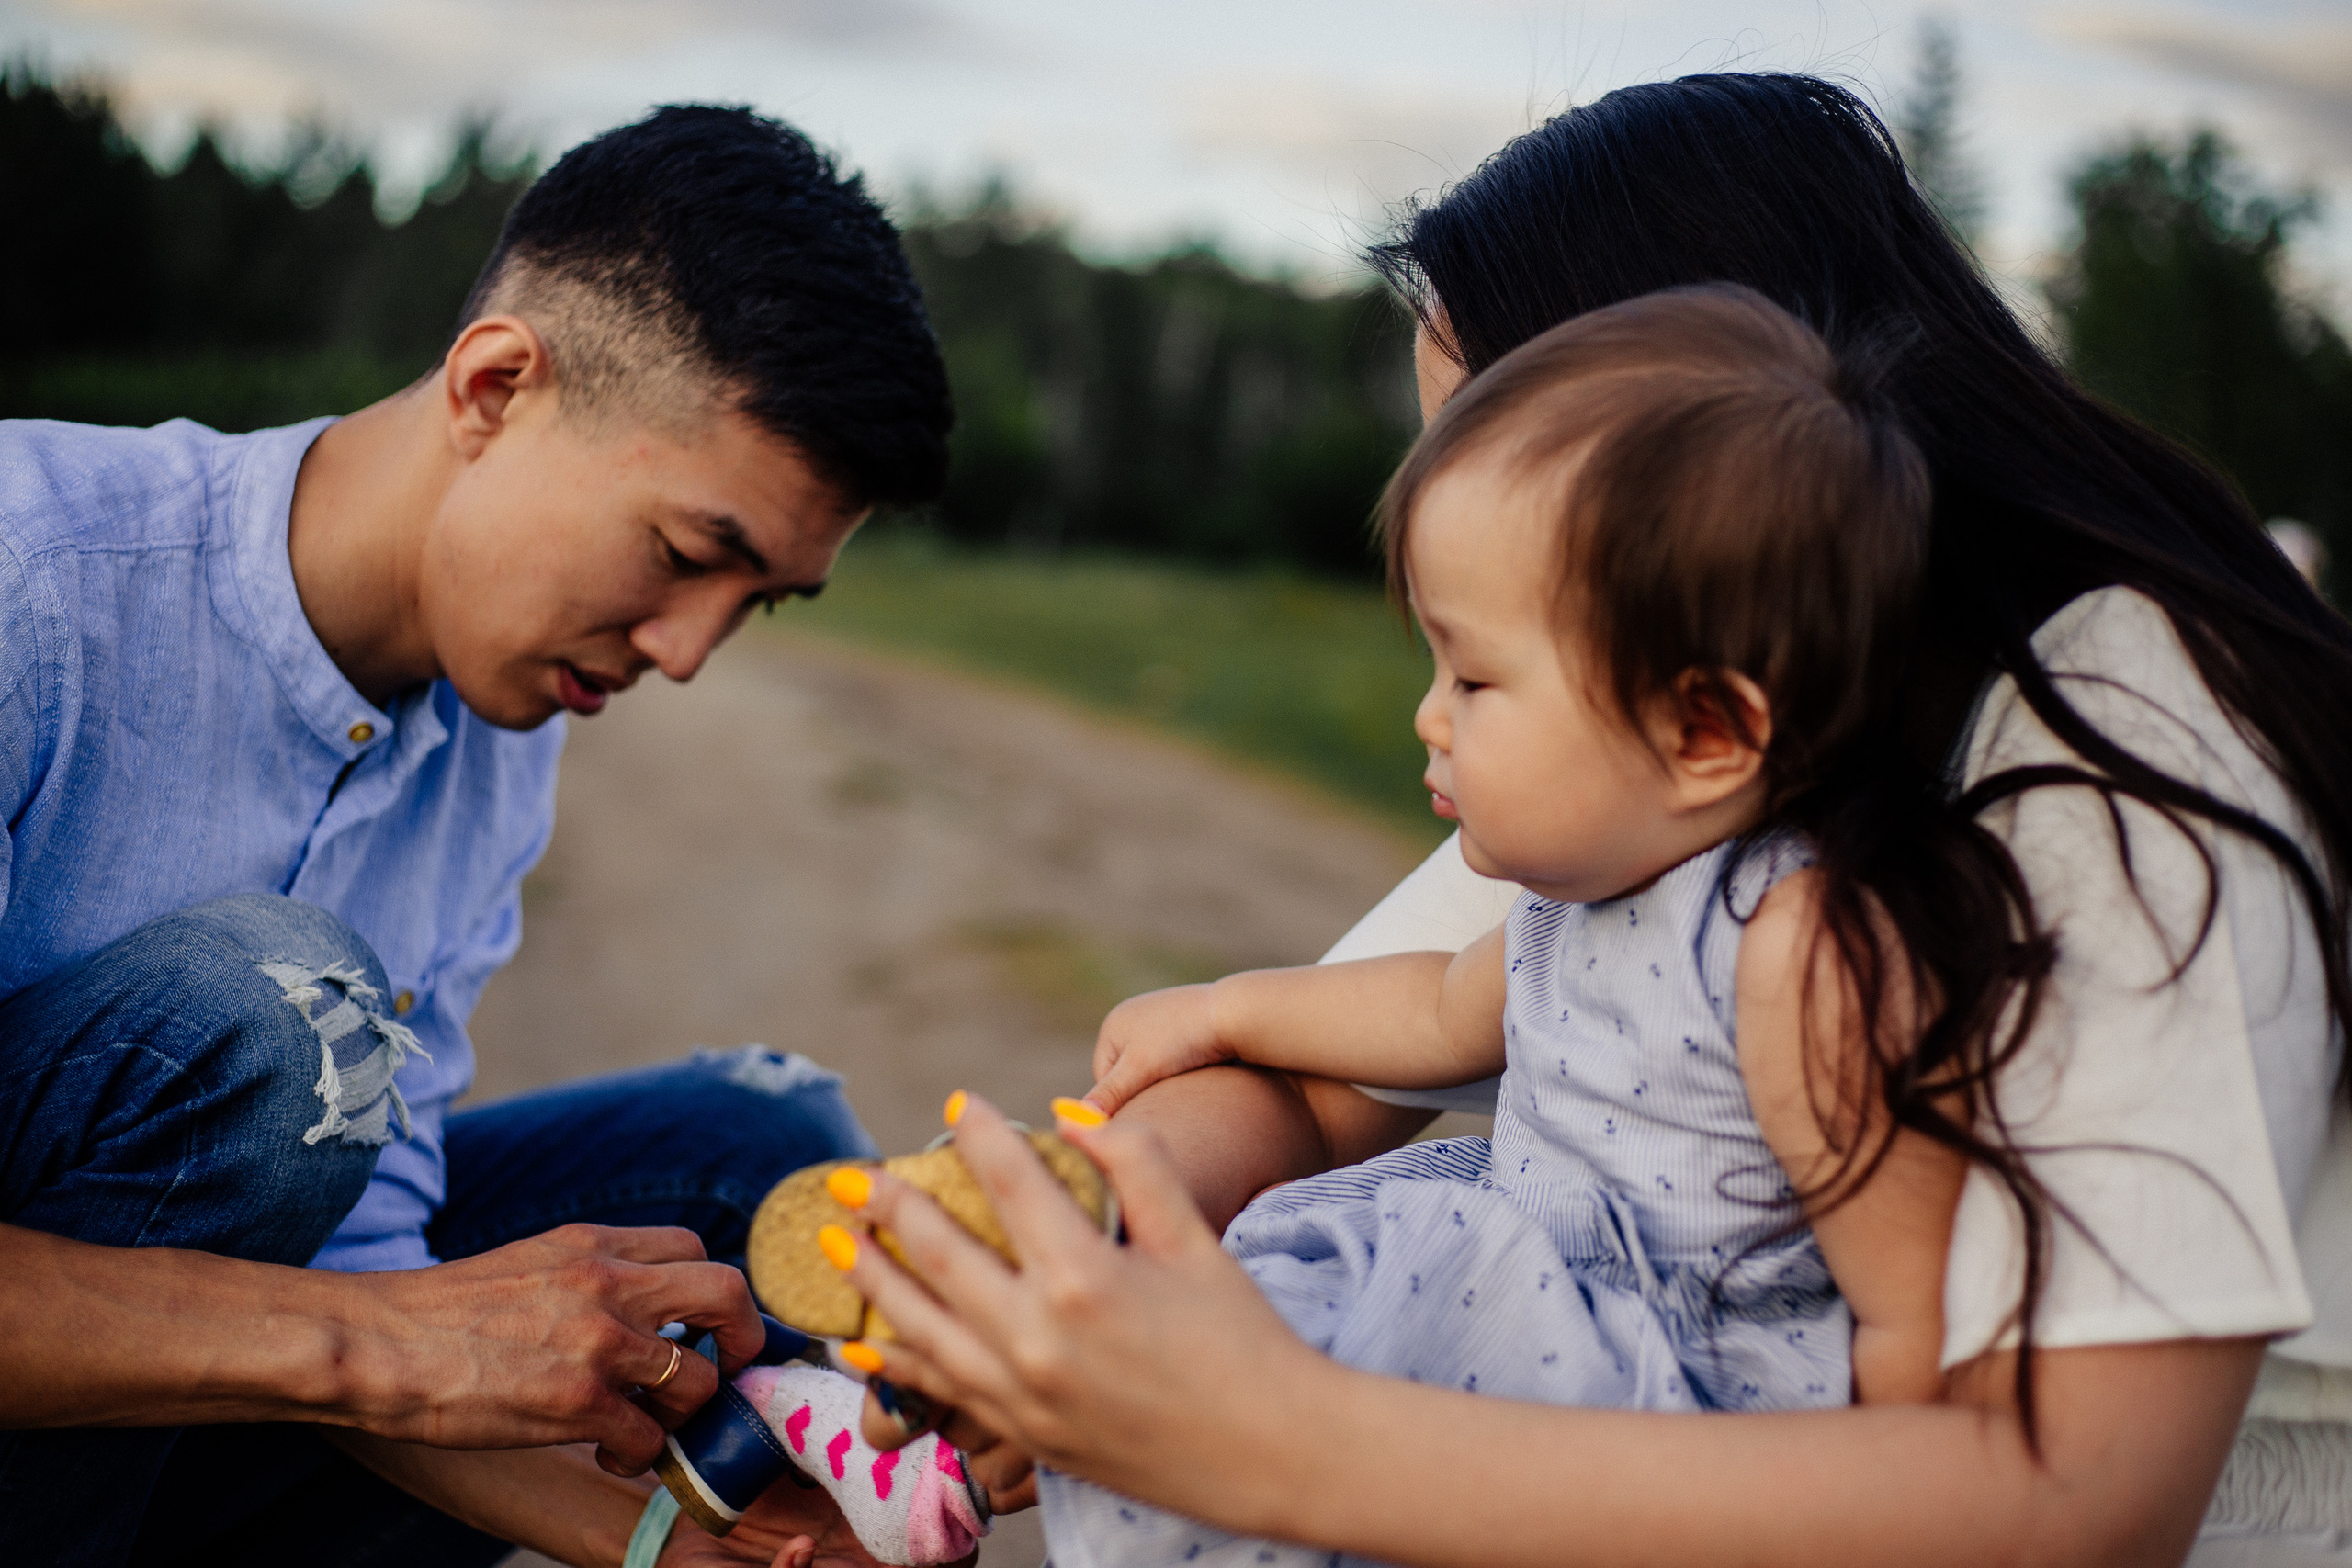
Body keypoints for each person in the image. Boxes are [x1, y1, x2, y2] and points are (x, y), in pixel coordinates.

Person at [811, 73, 2352, 1568]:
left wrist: (1262, 1430)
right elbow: (1334, 1072)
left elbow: (2077, 1507)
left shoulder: (2131, 739)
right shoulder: (1675, 781)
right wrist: (1081, 1269)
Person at [0, 105, 953, 1568]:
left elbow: (358, 1237)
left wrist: (669, 1549)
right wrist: (377, 1348)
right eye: (690, 555)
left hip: (155, 1408)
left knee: (755, 1161)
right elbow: (377, 1322)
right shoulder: (33, 577)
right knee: (281, 1017)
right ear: (496, 387)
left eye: (758, 601)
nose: (691, 652)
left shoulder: (496, 740)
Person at [1032, 283, 1966, 1564]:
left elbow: (1912, 1323)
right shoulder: (1576, 890)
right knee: (1231, 1331)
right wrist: (1223, 1009)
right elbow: (1428, 1011)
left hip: (1662, 1413)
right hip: (1513, 1301)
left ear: (1706, 731)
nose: (1429, 715)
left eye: (1472, 676)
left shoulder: (1800, 949)